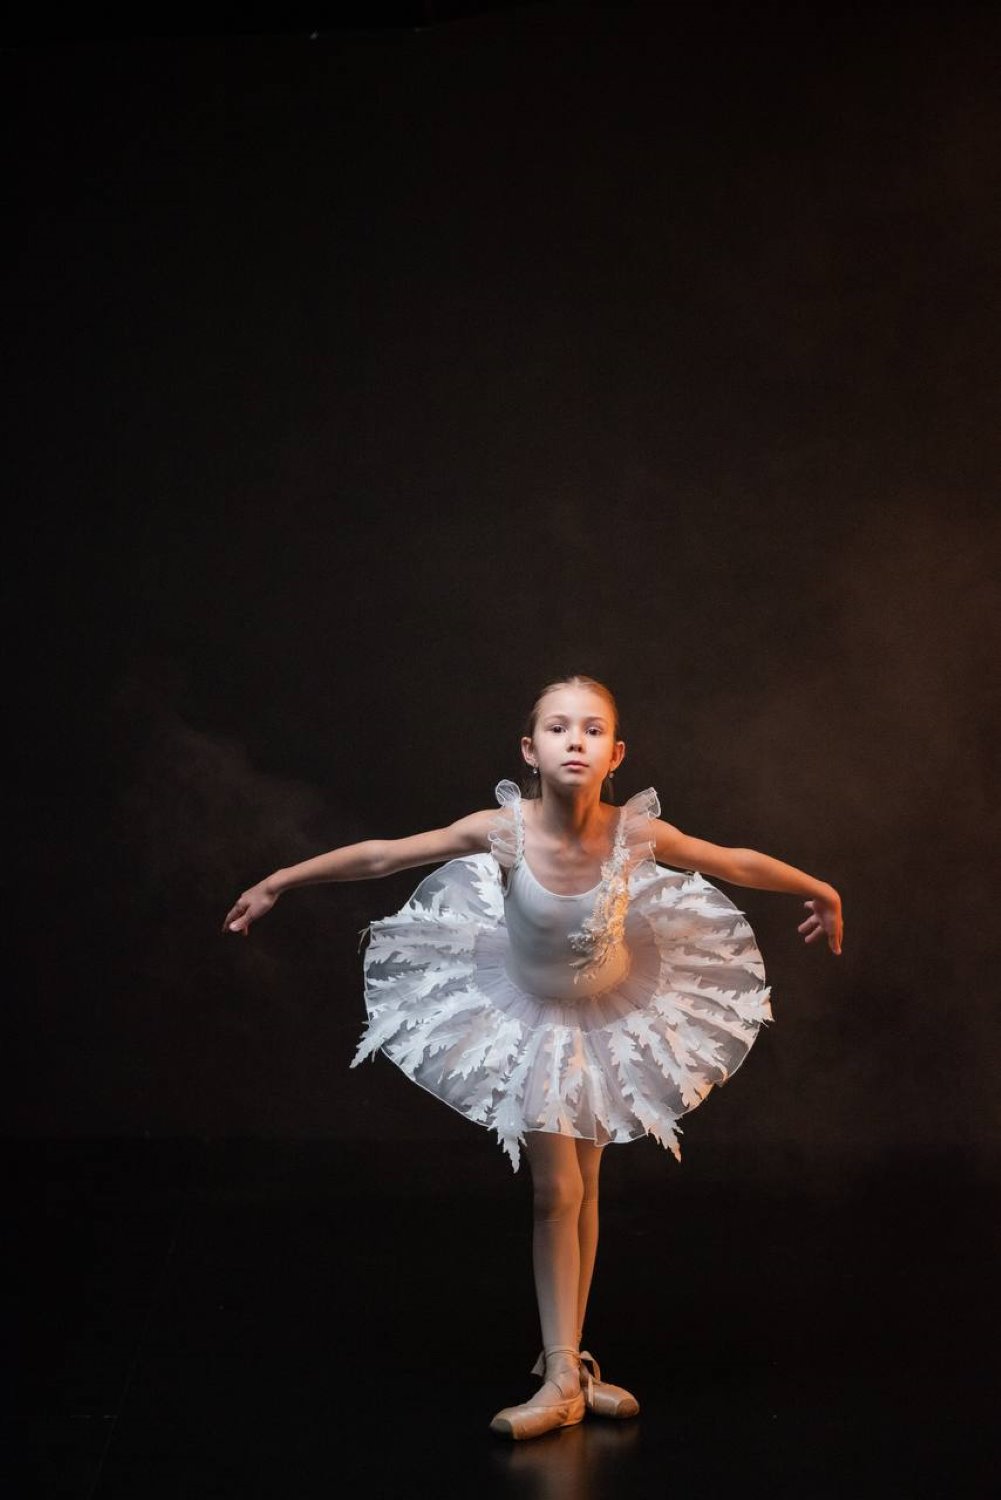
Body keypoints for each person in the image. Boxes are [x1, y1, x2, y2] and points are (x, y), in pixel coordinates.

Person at [222, 674, 843, 1441]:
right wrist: (279, 880)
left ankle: (571, 1365)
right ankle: (559, 1374)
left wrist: (819, 888)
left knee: (584, 1189)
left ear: (615, 755)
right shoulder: (504, 830)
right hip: (529, 1013)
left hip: (612, 1008)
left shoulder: (635, 835)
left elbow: (732, 861)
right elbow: (385, 856)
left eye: (591, 729)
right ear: (529, 749)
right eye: (557, 728)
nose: (574, 740)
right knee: (557, 1190)